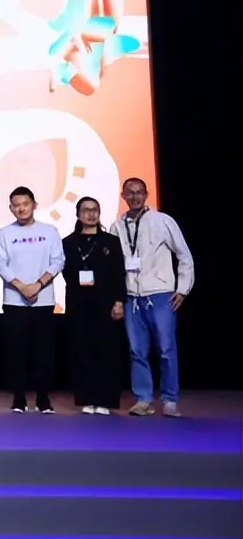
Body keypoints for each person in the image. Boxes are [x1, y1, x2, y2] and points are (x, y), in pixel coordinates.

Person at [109, 177, 195, 417]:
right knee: (136, 350)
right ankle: (143, 399)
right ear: (123, 196)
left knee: (166, 349)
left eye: (139, 192)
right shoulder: (117, 226)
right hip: (131, 296)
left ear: (146, 194)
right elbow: (114, 266)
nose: (135, 196)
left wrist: (182, 289)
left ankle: (169, 399)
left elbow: (184, 255)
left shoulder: (163, 221)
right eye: (130, 192)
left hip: (160, 294)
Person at [0, 186, 65, 414]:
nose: (21, 209)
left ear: (34, 204)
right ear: (10, 208)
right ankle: (18, 398)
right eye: (16, 205)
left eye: (25, 204)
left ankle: (43, 399)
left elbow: (58, 261)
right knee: (16, 352)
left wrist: (38, 285)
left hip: (43, 300)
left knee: (43, 353)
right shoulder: (4, 233)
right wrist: (22, 287)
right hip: (14, 301)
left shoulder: (50, 231)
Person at [62, 196, 126, 414]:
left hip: (105, 303)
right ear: (78, 214)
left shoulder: (110, 241)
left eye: (94, 210)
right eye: (86, 210)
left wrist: (119, 301)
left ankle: (106, 400)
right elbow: (66, 273)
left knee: (107, 351)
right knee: (82, 350)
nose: (90, 214)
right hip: (78, 304)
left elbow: (119, 273)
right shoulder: (68, 243)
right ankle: (86, 398)